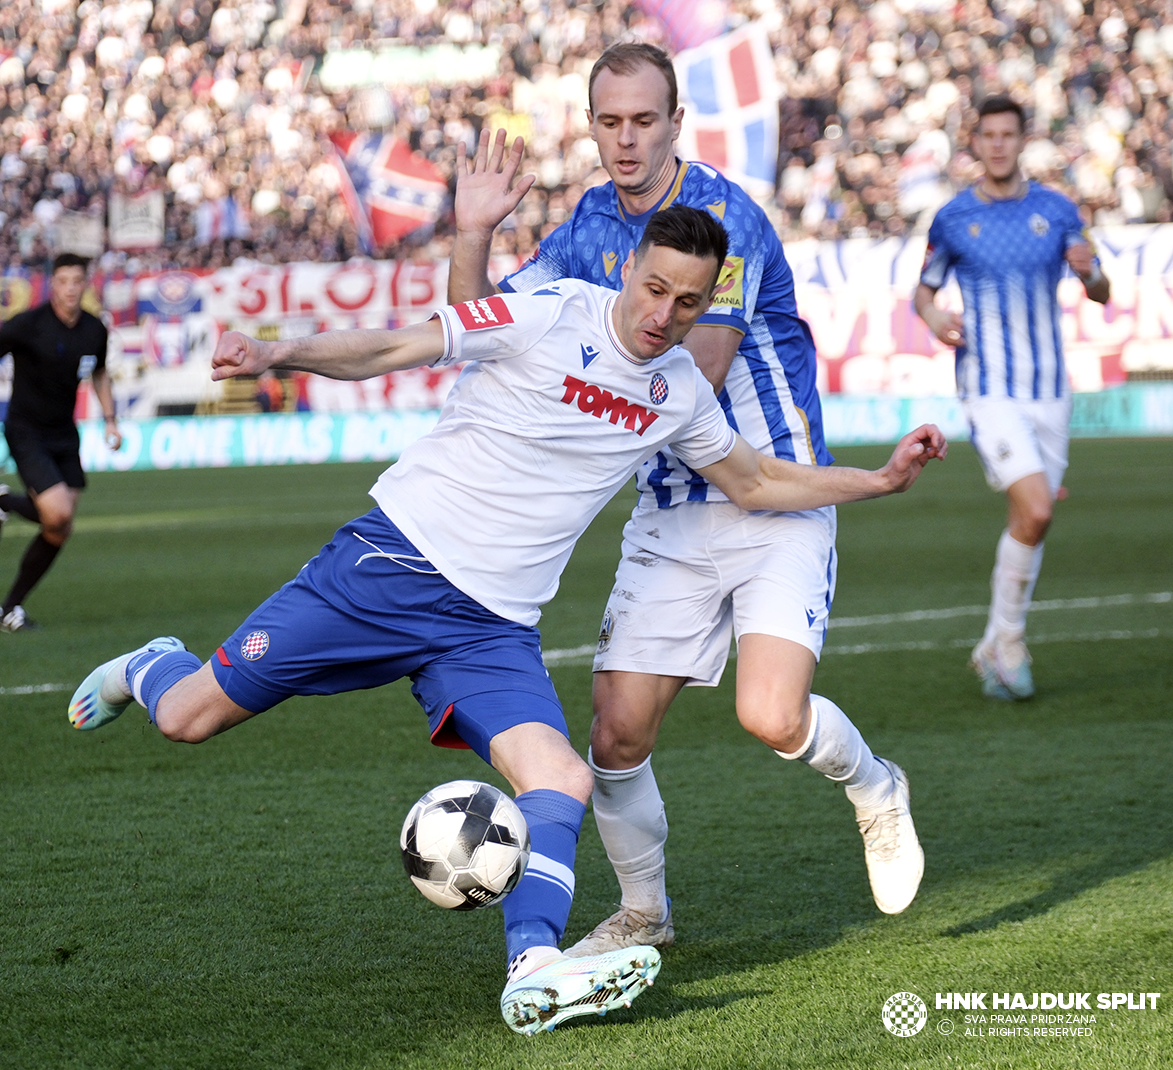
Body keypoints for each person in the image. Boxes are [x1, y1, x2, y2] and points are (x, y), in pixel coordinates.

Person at [68, 207, 947, 1036]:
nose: (664, 314)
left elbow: (753, 482)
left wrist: (875, 481)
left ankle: (533, 968)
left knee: (562, 777)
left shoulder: (678, 387)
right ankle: (148, 664)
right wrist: (276, 352)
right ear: (629, 271)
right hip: (386, 569)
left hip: (490, 629)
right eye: (654, 288)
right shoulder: (550, 312)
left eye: (687, 302)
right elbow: (400, 344)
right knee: (187, 717)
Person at [448, 41, 926, 961]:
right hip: (671, 511)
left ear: (676, 123)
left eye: (644, 121)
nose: (626, 141)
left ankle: (876, 787)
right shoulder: (584, 230)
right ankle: (644, 914)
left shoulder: (721, 218)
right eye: (609, 122)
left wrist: (567, 402)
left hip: (772, 490)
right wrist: (472, 235)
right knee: (615, 734)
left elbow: (692, 374)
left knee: (772, 716)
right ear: (591, 126)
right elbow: (477, 333)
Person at [915, 96, 1110, 701]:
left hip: (1050, 389)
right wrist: (937, 320)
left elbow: (1101, 288)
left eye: (1008, 135)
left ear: (1023, 140)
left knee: (1031, 520)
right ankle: (1009, 641)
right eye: (989, 136)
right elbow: (922, 294)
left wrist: (1090, 272)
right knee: (1039, 510)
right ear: (975, 143)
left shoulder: (1056, 210)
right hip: (988, 385)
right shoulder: (952, 218)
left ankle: (994, 644)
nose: (998, 145)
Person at [0, 253, 120, 631]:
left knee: (59, 527)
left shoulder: (94, 330)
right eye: (64, 281)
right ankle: (3, 501)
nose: (71, 288)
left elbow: (100, 374)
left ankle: (10, 608)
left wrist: (110, 419)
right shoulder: (29, 324)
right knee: (58, 515)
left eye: (77, 281)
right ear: (53, 284)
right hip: (26, 429)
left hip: (64, 433)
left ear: (86, 284)